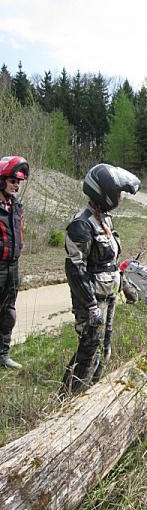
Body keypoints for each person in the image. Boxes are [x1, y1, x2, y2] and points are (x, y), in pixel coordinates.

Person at [59, 163, 141, 397]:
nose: (120, 197)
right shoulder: (81, 225)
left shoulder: (105, 220)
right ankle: (66, 400)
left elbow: (111, 262)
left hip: (109, 294)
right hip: (93, 299)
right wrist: (91, 306)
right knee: (89, 348)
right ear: (101, 192)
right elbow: (75, 269)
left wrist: (125, 285)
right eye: (117, 193)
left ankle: (91, 397)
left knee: (104, 349)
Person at [0, 156, 29, 370]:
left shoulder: (16, 207)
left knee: (8, 313)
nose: (16, 185)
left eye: (18, 182)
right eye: (12, 181)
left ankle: (3, 356)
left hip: (13, 267)